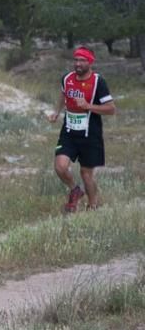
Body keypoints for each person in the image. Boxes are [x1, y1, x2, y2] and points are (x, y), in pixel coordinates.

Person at [48, 46, 116, 213]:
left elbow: (111, 109)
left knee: (86, 174)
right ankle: (75, 190)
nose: (78, 63)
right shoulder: (67, 78)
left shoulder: (98, 82)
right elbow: (64, 95)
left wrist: (88, 106)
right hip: (69, 131)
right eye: (76, 60)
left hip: (90, 133)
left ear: (90, 62)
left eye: (82, 60)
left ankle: (92, 207)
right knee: (60, 166)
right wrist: (56, 112)